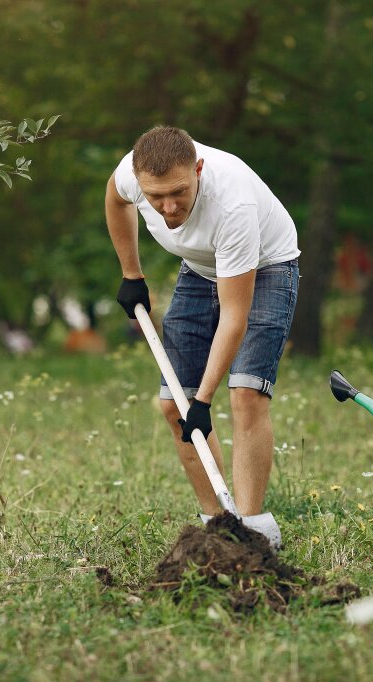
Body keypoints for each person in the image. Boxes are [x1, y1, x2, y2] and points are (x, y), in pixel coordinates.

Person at [105, 125, 300, 544]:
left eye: (178, 191)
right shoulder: (131, 174)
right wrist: (131, 273)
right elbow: (115, 200)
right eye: (155, 197)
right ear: (140, 180)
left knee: (245, 393)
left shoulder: (233, 206)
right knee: (174, 405)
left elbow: (234, 316)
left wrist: (205, 399)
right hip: (200, 267)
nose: (168, 206)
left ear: (198, 168)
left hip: (266, 266)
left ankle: (253, 532)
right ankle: (218, 527)